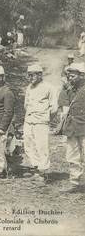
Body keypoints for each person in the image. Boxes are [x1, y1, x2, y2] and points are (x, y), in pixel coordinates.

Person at [23, 64, 57, 182]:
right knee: (28, 144)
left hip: (41, 121)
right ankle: (36, 167)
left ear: (39, 75)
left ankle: (43, 172)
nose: (30, 77)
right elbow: (26, 104)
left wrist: (45, 118)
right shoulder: (29, 87)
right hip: (29, 120)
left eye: (33, 75)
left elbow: (54, 108)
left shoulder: (49, 88)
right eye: (29, 75)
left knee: (41, 146)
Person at [59, 63, 85, 192]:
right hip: (72, 128)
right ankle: (74, 182)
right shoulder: (69, 90)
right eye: (69, 76)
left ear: (82, 75)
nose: (70, 78)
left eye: (73, 76)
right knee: (72, 156)